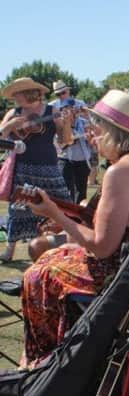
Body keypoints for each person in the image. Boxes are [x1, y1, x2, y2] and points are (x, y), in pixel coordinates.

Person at [19, 90, 129, 368]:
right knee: (54, 256)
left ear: (114, 132)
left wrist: (53, 213)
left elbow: (101, 246)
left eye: (95, 131)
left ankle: (45, 362)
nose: (91, 137)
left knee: (38, 274)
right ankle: (68, 348)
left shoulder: (119, 171)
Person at [0, 77, 71, 262]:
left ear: (27, 93)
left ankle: (63, 242)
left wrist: (67, 124)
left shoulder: (52, 111)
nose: (14, 97)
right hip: (23, 166)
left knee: (61, 203)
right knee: (18, 207)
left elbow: (64, 140)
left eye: (17, 93)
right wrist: (9, 126)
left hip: (48, 165)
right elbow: (1, 136)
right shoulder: (13, 112)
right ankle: (9, 250)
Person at [51, 80, 92, 204]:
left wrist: (85, 118)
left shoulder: (81, 107)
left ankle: (79, 219)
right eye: (58, 94)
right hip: (64, 156)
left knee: (81, 191)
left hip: (82, 156)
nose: (61, 96)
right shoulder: (52, 107)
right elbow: (59, 138)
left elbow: (90, 124)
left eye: (63, 92)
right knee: (66, 191)